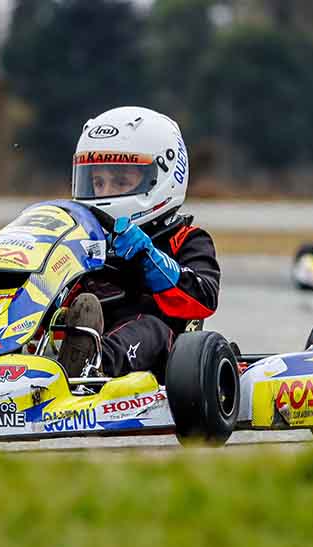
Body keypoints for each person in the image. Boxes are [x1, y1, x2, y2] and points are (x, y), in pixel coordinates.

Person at [57, 106, 221, 379]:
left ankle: (94, 362)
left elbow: (203, 299)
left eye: (120, 182)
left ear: (160, 178)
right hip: (85, 331)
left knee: (149, 326)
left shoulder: (187, 239)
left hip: (164, 362)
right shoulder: (83, 238)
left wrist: (148, 257)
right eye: (97, 182)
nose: (105, 193)